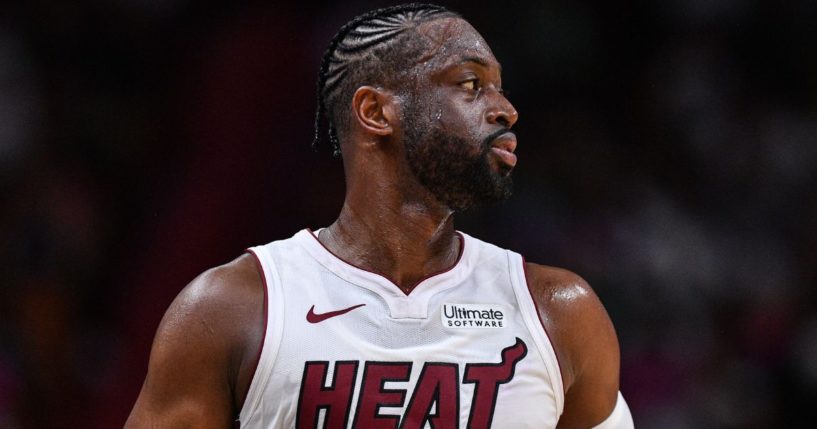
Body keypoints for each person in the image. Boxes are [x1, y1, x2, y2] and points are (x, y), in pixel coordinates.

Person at [125, 3, 633, 428]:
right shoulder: (232, 308)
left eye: (500, 87)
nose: (506, 109)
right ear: (375, 111)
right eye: (471, 84)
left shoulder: (559, 313)